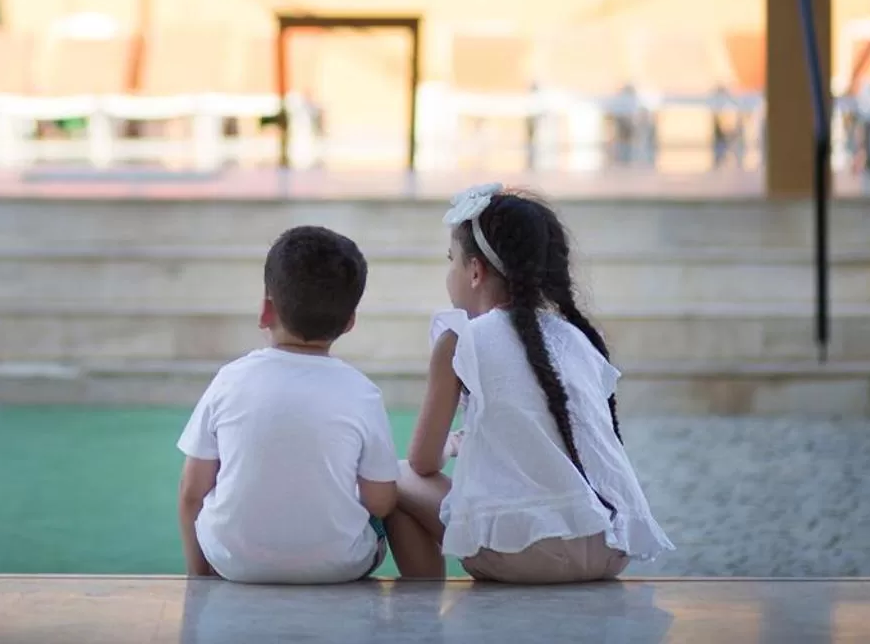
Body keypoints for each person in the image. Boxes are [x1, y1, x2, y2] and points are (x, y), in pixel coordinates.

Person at [389, 184, 672, 582]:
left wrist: (454, 442)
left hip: (521, 555)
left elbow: (422, 462)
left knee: (397, 477)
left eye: (451, 260)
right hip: (611, 546)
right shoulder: (575, 338)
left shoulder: (459, 338)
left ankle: (419, 617)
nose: (448, 272)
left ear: (474, 271)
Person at [176, 226, 408, 584]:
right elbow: (380, 502)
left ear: (266, 310)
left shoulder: (229, 379)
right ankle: (426, 595)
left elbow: (192, 492)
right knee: (391, 491)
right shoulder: (363, 392)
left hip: (232, 562)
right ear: (350, 323)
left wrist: (199, 576)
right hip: (339, 566)